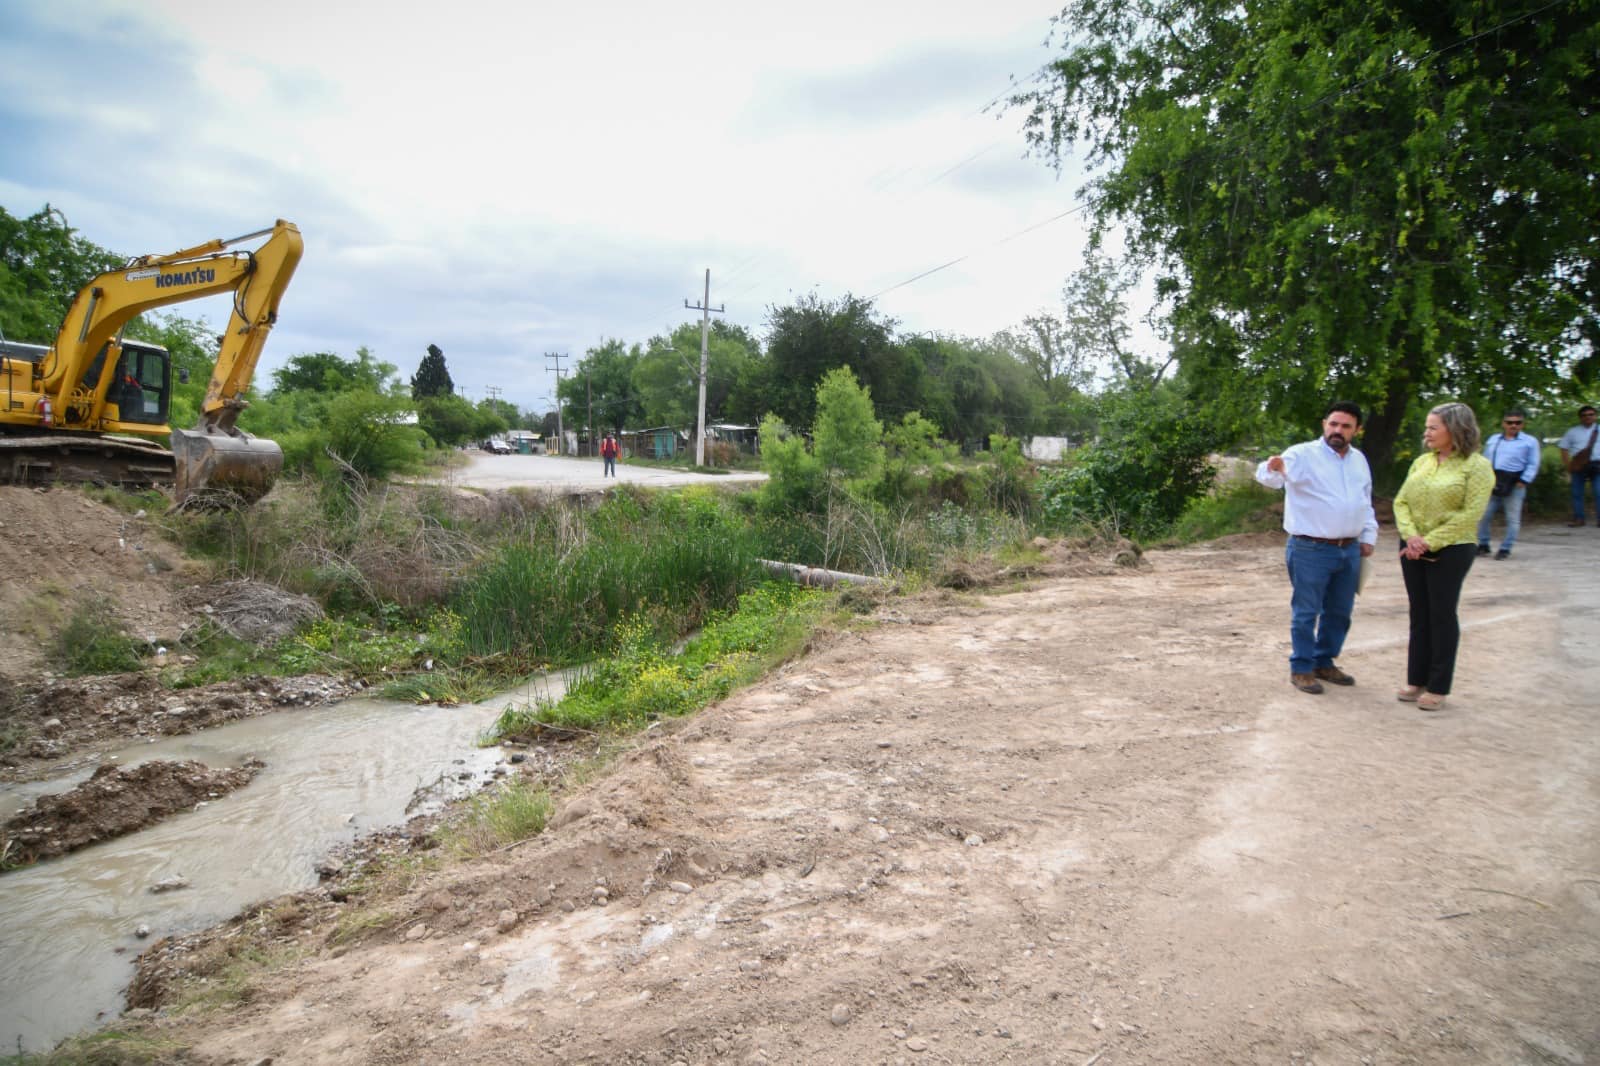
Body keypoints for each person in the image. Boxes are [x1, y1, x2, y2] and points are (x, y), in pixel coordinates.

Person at [1255, 402, 1379, 695]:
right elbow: (1270, 477)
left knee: (1339, 611)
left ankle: (1324, 661)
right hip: (1310, 548)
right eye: (1333, 424)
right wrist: (1272, 467)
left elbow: (1365, 501)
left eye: (1346, 426)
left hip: (1348, 548)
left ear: (1357, 430)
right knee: (1306, 611)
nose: (1338, 431)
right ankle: (1301, 667)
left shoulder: (1359, 460)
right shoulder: (1301, 454)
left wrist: (1368, 536)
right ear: (1324, 424)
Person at [1393, 402, 1494, 712]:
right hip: (1412, 547)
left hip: (1452, 549)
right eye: (1427, 426)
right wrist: (1411, 537)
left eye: (1433, 427)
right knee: (1419, 613)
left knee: (1441, 614)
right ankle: (1416, 680)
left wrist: (1429, 541)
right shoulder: (1422, 462)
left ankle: (1438, 686)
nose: (1427, 432)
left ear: (1456, 429)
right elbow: (1401, 502)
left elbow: (1471, 514)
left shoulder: (1476, 467)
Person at [1475, 408, 1540, 559]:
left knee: (1512, 518)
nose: (1513, 426)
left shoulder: (1529, 442)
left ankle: (1506, 548)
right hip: (1494, 480)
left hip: (1515, 482)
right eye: (1510, 422)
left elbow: (1533, 463)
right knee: (1483, 515)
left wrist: (1524, 480)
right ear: (1504, 424)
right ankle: (1483, 544)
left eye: (1518, 423)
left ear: (1522, 424)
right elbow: (1485, 460)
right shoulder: (1494, 440)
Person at [1558, 404, 1599, 527]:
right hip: (1579, 465)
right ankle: (1579, 518)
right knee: (1577, 493)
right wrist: (1568, 465)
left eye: (1591, 415)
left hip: (1597, 464)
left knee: (1599, 492)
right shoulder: (1572, 432)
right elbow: (1563, 448)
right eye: (1584, 415)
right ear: (1580, 417)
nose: (1588, 417)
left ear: (1595, 416)